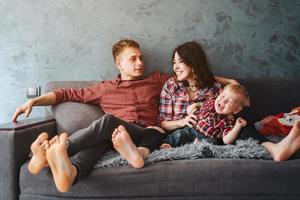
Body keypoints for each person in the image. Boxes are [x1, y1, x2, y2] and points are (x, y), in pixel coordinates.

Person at [12, 39, 236, 193]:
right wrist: (33, 100)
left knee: (108, 122)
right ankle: (69, 172)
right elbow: (66, 93)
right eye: (133, 59)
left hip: (146, 133)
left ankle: (58, 150)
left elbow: (190, 73)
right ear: (118, 63)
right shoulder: (104, 88)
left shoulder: (157, 79)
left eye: (141, 58)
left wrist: (228, 83)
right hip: (116, 139)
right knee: (100, 141)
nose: (140, 63)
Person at [159, 41, 300, 162]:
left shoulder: (214, 88)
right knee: (178, 136)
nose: (175, 67)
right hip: (183, 133)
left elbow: (233, 87)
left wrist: (208, 77)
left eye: (180, 62)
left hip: (213, 135)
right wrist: (182, 122)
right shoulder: (171, 86)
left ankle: (275, 149)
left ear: (194, 63)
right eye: (174, 63)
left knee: (243, 127)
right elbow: (163, 123)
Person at [161, 83, 250, 148]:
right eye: (222, 96)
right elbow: (191, 109)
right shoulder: (211, 103)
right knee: (180, 134)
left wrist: (237, 127)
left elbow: (227, 140)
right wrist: (194, 107)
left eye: (229, 101)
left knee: (212, 143)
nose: (222, 101)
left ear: (236, 109)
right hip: (193, 129)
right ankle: (166, 145)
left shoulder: (228, 120)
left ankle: (195, 148)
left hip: (208, 137)